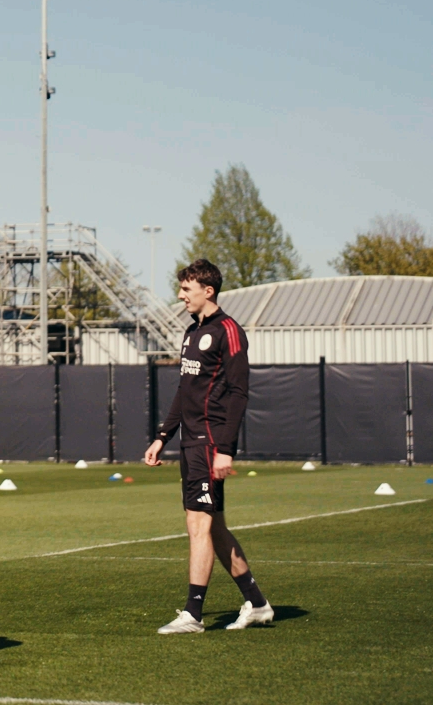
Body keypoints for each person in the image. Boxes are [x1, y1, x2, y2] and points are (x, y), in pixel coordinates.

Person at [144, 258, 273, 634]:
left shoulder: (229, 330)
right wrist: (162, 435)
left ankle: (193, 615)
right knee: (213, 527)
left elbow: (238, 393)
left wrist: (226, 448)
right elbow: (185, 391)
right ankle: (258, 603)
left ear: (208, 290)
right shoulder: (190, 332)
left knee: (198, 524)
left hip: (210, 441)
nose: (181, 295)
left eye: (186, 289)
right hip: (189, 441)